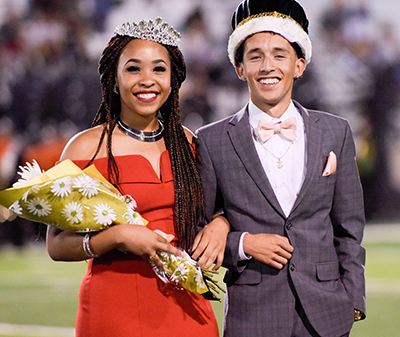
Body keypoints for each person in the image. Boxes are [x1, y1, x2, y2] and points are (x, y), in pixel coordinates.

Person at [46, 17, 228, 337]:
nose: (147, 80)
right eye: (133, 69)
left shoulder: (189, 143)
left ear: (173, 79)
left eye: (159, 69)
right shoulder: (85, 147)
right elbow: (56, 245)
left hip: (187, 305)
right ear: (114, 79)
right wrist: (118, 237)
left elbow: (217, 208)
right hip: (114, 308)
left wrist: (221, 223)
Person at [194, 1, 366, 336]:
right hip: (251, 314)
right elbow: (197, 231)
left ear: (299, 65)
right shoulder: (210, 140)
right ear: (239, 68)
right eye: (255, 56)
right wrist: (243, 244)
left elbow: (349, 229)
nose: (267, 66)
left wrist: (352, 301)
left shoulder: (336, 131)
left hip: (328, 315)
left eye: (279, 54)